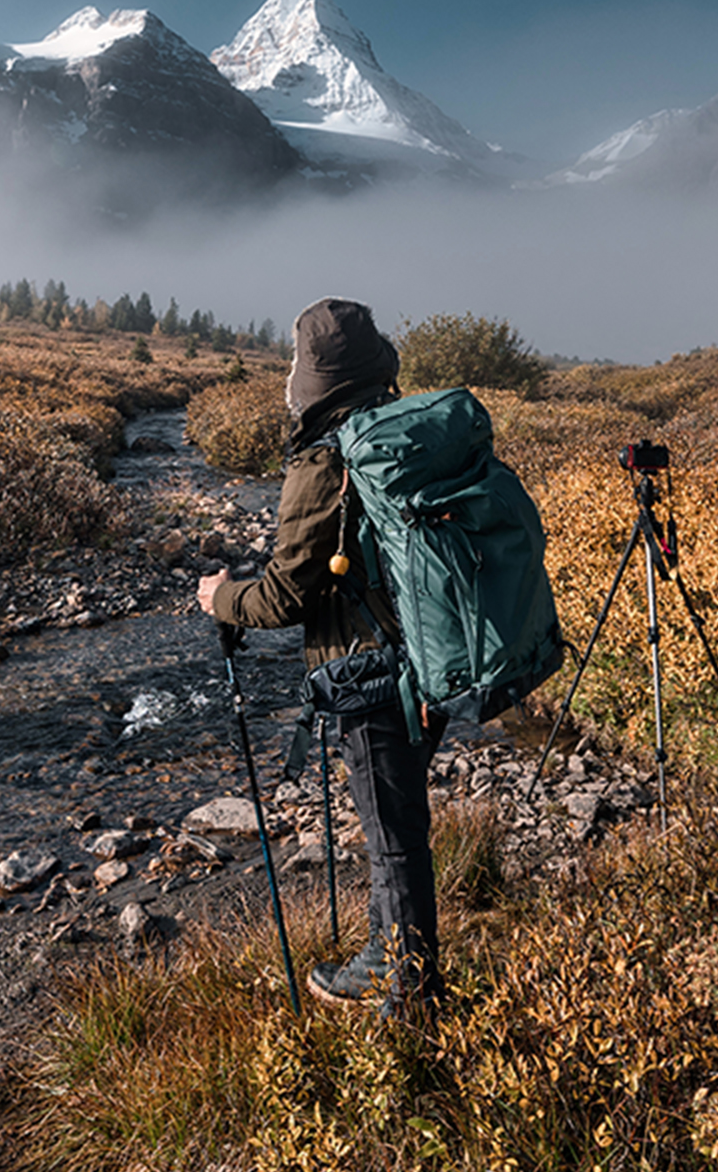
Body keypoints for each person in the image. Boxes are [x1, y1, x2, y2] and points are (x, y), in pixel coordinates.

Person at [196, 297, 446, 1011]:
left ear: (313, 374)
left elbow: (283, 597)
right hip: (433, 654)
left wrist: (220, 597)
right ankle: (382, 957)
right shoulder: (406, 433)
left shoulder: (325, 459)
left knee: (395, 838)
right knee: (395, 823)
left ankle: (414, 1003)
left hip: (369, 672)